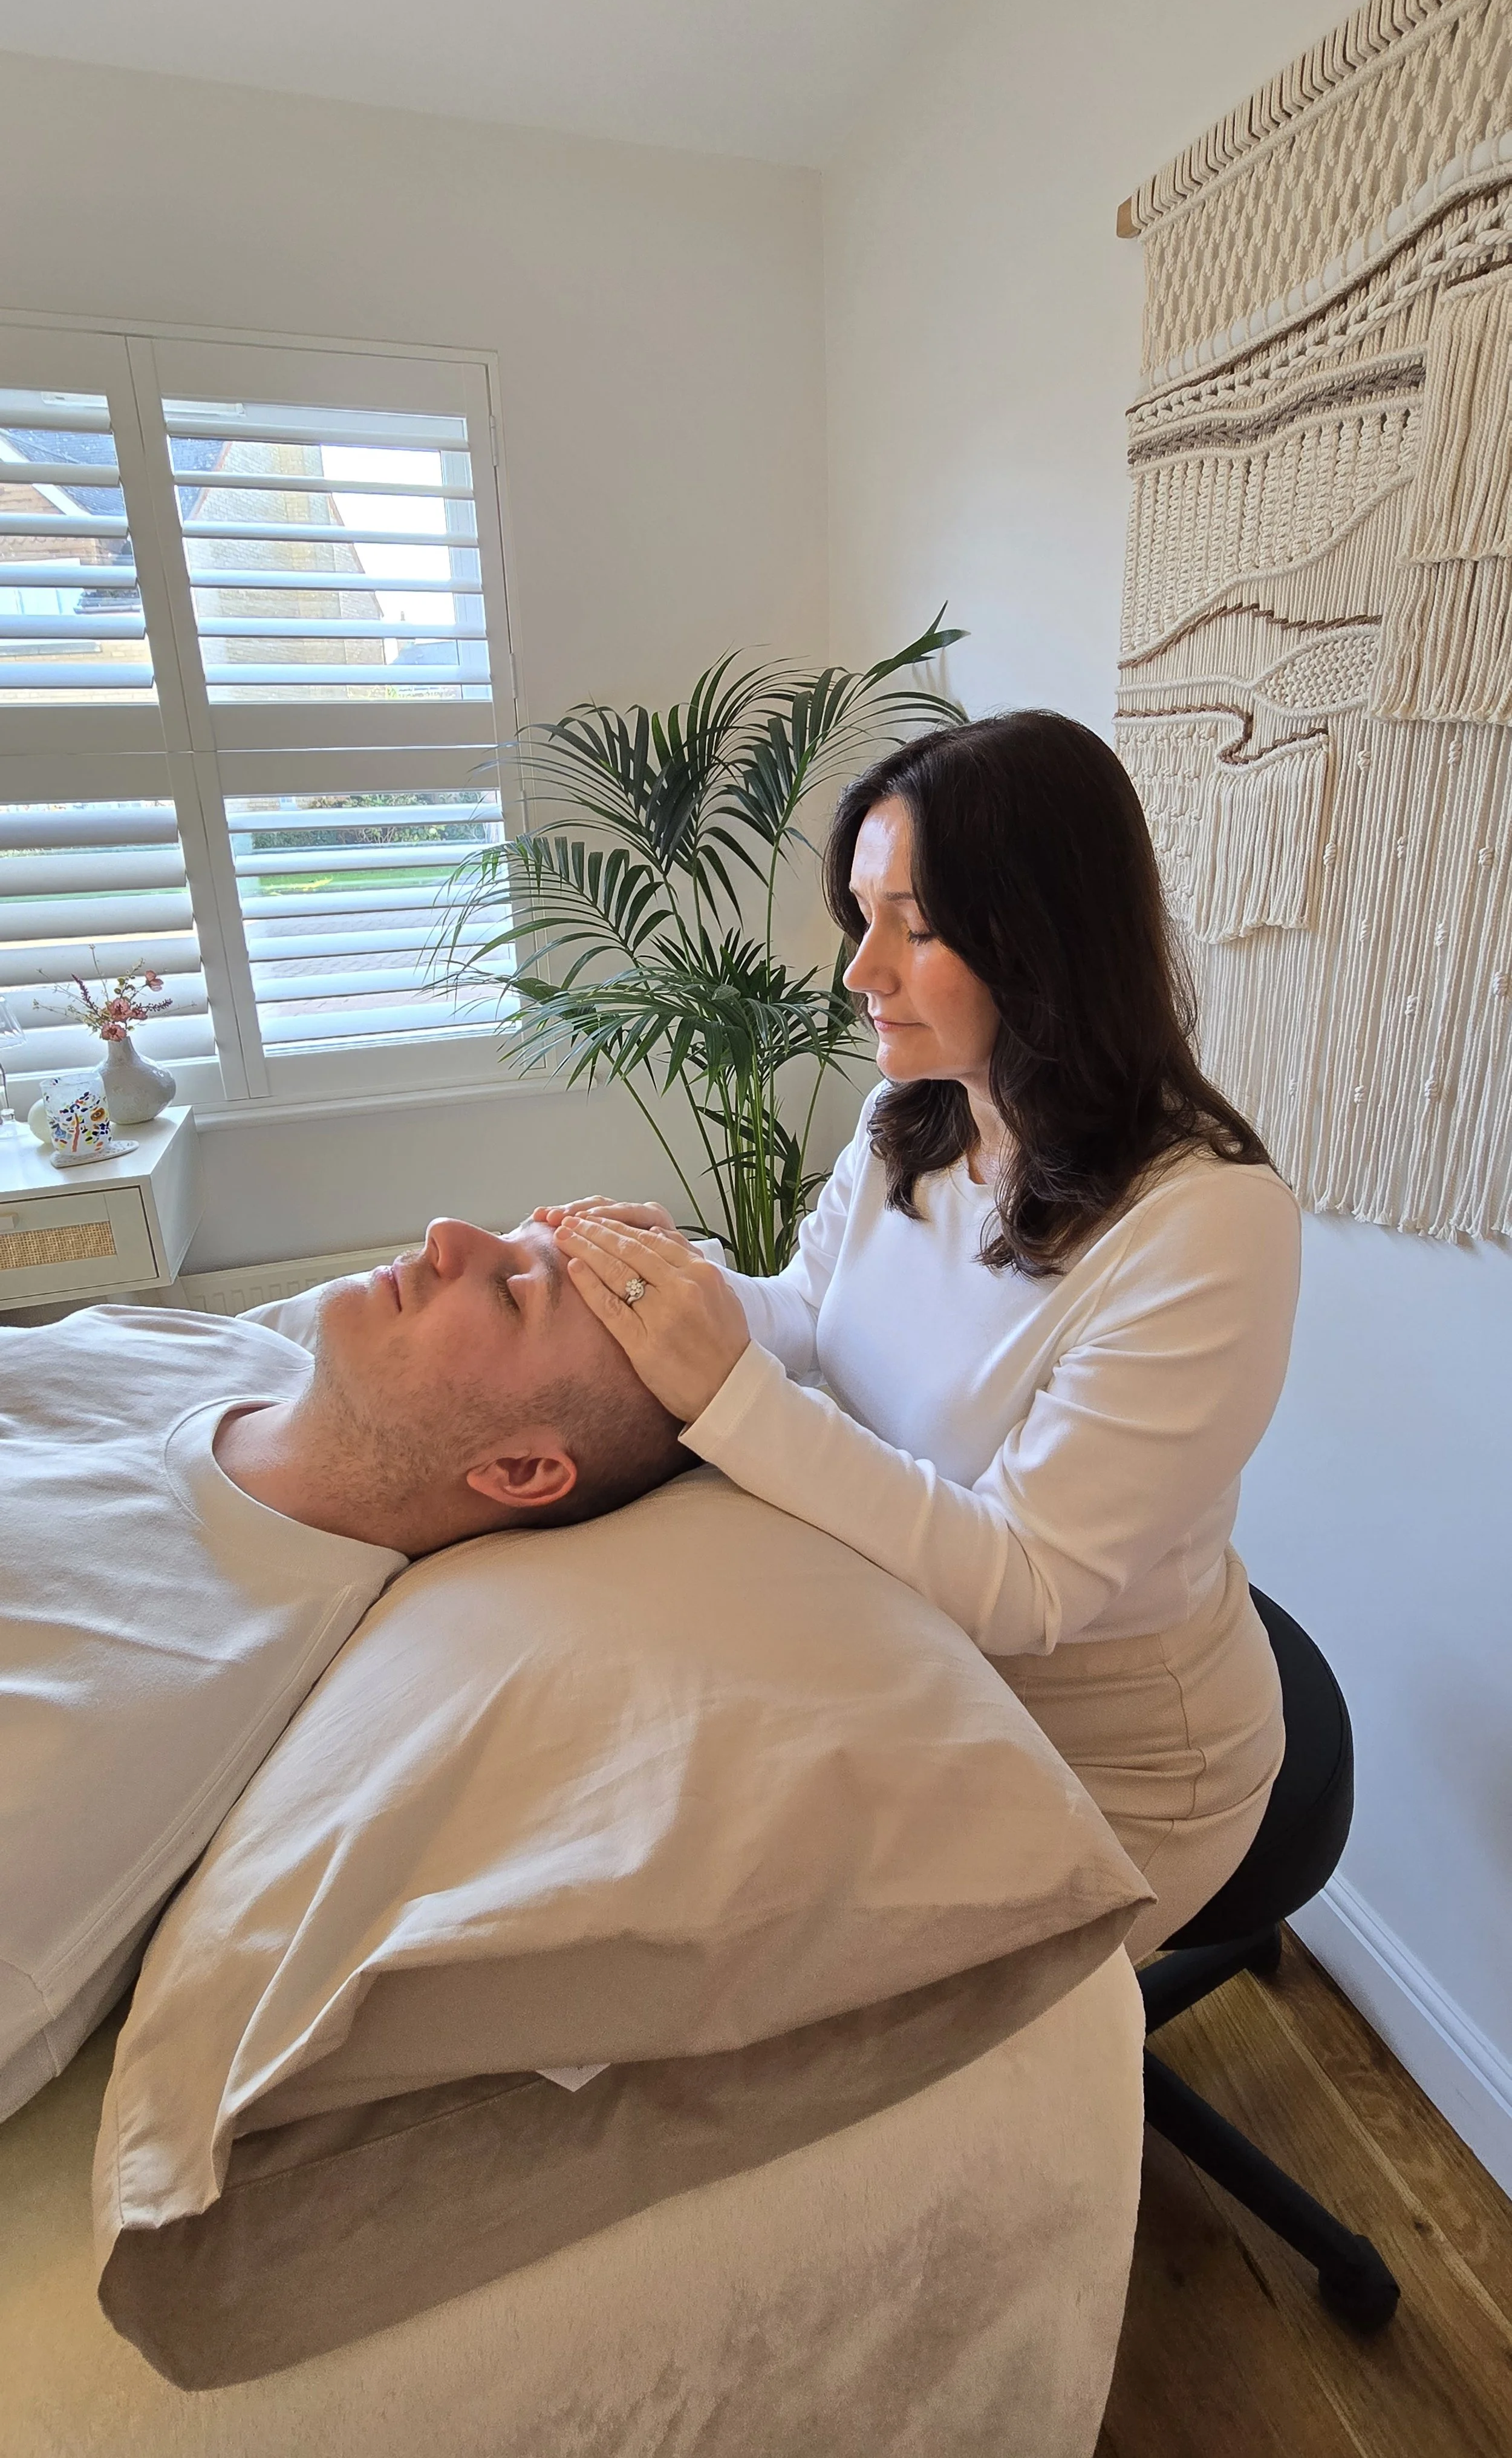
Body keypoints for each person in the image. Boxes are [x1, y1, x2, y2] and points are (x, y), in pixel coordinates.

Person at [543, 711, 1301, 1953]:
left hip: (1113, 1758)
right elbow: (810, 1312)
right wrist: (669, 1291)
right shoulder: (920, 1105)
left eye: (918, 926)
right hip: (925, 1663)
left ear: (1042, 942)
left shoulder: (1206, 1224)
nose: (861, 972)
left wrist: (726, 1391)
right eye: (863, 915)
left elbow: (1025, 1582)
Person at [0, 1217, 689, 2122]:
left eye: (513, 1290)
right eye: (508, 1237)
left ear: (520, 1468)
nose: (448, 1235)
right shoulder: (218, 1345)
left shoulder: (145, 1704)